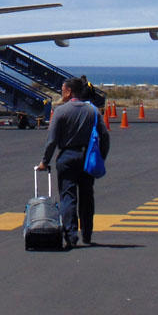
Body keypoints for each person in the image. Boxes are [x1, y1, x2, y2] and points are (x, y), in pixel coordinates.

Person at [36, 75, 109, 248]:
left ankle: (71, 235)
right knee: (87, 195)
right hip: (86, 157)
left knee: (68, 196)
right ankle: (88, 234)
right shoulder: (92, 111)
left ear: (69, 92)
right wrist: (101, 157)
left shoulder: (61, 111)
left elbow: (52, 140)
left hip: (67, 157)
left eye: (62, 90)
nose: (61, 93)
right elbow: (105, 136)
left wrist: (44, 161)